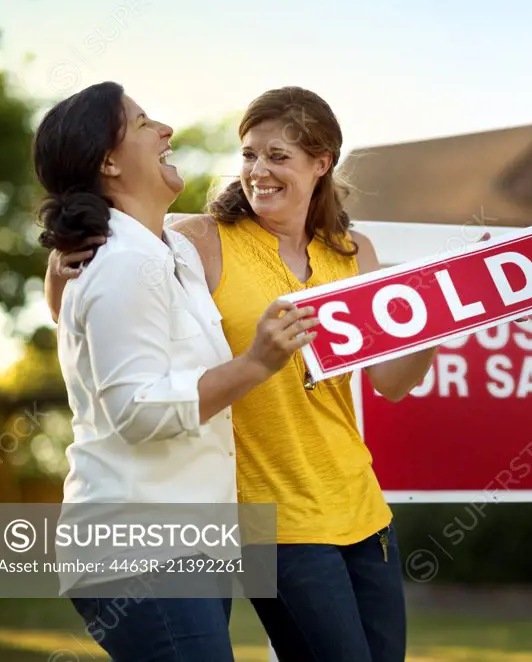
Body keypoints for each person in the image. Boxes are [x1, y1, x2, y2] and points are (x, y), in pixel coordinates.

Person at [45, 86, 460, 662]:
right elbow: (96, 320)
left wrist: (446, 317)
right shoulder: (198, 242)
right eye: (248, 155)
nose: (258, 170)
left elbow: (389, 381)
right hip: (260, 518)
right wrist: (62, 263)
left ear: (322, 164)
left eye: (278, 156)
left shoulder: (349, 250)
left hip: (357, 505)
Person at [34, 81, 320, 662]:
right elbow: (137, 412)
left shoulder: (171, 252)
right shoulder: (121, 263)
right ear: (108, 161)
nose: (165, 129)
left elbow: (76, 312)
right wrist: (256, 364)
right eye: (142, 123)